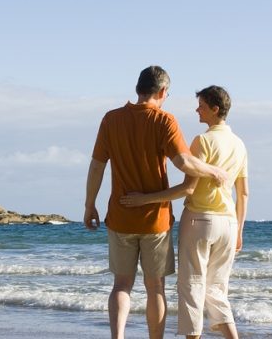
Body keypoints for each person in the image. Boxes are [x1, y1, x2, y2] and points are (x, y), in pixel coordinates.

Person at [84, 66, 228, 339]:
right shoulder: (164, 121)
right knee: (155, 288)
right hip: (155, 220)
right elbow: (183, 162)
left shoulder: (111, 119)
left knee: (121, 286)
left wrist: (89, 205)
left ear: (138, 88)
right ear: (162, 92)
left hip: (120, 215)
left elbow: (96, 167)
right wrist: (214, 171)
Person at [120, 85, 248, 339]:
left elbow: (189, 189)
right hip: (229, 224)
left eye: (201, 105)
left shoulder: (203, 141)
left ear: (215, 109)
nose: (196, 109)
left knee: (192, 287)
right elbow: (243, 193)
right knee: (217, 290)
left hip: (200, 220)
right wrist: (239, 231)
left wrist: (145, 200)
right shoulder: (239, 144)